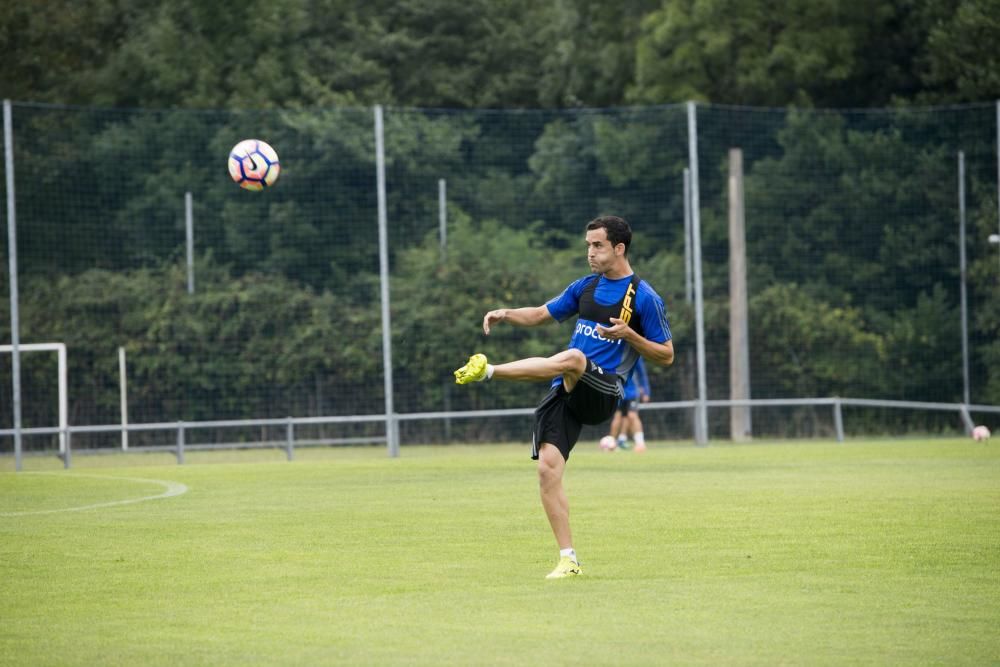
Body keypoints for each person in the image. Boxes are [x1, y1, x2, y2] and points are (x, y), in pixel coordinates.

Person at [453, 215, 673, 579]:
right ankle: (568, 560)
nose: (590, 252)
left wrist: (629, 336)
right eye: (588, 245)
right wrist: (506, 313)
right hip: (567, 389)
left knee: (572, 358)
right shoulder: (584, 288)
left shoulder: (645, 298)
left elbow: (666, 355)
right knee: (547, 470)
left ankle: (489, 371)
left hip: (604, 391)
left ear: (619, 248)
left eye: (597, 245)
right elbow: (541, 314)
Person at [607, 356, 650, 452]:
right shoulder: (616, 353)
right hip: (618, 392)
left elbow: (642, 374)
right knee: (617, 417)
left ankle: (640, 443)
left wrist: (646, 392)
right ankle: (612, 443)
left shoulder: (636, 356)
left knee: (632, 415)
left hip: (632, 393)